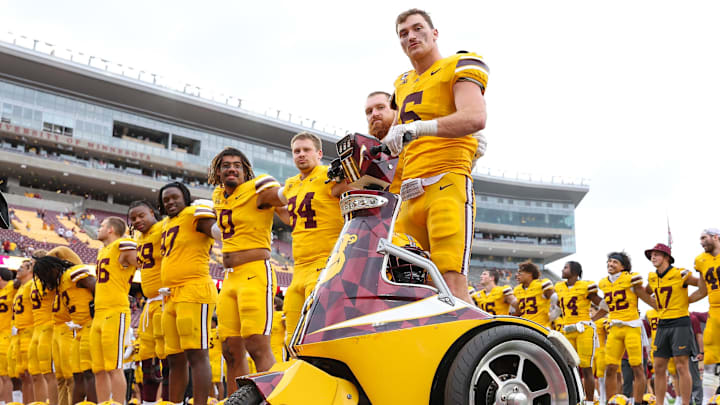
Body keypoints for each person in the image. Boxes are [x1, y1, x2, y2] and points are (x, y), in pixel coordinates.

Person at [383, 8, 488, 302]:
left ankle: (473, 348)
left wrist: (419, 128)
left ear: (435, 32)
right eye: (403, 33)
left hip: (445, 183)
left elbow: (475, 117)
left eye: (417, 29)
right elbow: (395, 139)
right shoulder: (402, 84)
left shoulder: (459, 64)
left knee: (452, 286)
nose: (411, 36)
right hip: (409, 195)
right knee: (410, 291)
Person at [208, 147, 284, 387]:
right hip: (229, 277)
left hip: (254, 272)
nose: (232, 168)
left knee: (257, 345)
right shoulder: (218, 196)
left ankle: (275, 401)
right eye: (226, 165)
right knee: (230, 351)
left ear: (246, 170)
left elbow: (282, 199)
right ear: (218, 171)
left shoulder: (257, 189)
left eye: (237, 165)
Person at [277, 132, 350, 346]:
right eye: (296, 151)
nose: (301, 154)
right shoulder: (291, 184)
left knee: (318, 335)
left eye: (306, 150)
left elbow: (356, 185)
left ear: (319, 153)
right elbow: (293, 216)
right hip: (298, 268)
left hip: (325, 263)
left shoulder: (329, 174)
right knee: (292, 337)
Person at [158, 182, 217, 405]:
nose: (171, 202)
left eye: (175, 197)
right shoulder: (166, 224)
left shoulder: (194, 213)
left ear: (185, 197)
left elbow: (218, 232)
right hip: (171, 295)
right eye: (166, 200)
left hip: (194, 289)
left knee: (196, 354)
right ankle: (175, 403)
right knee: (174, 358)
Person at [31, 254, 97, 403]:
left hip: (89, 324)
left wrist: (96, 307)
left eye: (45, 274)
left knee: (89, 373)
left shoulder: (73, 273)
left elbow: (96, 285)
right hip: (78, 328)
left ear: (54, 268)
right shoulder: (60, 284)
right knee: (77, 375)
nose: (45, 279)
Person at [598, 251, 657, 403]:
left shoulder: (631, 279)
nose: (610, 264)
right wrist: (591, 319)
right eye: (609, 262)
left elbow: (644, 297)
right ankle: (611, 401)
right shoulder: (604, 283)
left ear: (623, 266)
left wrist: (660, 307)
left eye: (614, 262)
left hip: (631, 327)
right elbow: (606, 307)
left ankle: (637, 401)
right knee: (610, 367)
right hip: (615, 328)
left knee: (637, 366)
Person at [645, 243, 699, 405]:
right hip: (662, 323)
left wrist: (688, 300)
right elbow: (646, 291)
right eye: (651, 255)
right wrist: (653, 303)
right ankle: (660, 403)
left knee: (681, 366)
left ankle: (685, 402)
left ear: (667, 257)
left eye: (657, 254)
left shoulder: (679, 273)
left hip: (680, 322)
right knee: (659, 366)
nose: (653, 257)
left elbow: (701, 286)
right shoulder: (652, 277)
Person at [91, 216, 137, 402]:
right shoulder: (103, 251)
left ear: (111, 229)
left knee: (114, 366)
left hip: (115, 310)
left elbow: (142, 261)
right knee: (98, 369)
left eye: (102, 225)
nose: (99, 229)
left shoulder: (122, 245)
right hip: (100, 312)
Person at [128, 200, 166, 405]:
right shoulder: (140, 238)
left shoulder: (163, 228)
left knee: (167, 360)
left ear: (152, 212)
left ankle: (170, 401)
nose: (137, 221)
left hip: (166, 299)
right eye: (133, 218)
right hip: (150, 303)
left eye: (141, 215)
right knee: (147, 362)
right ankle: (149, 402)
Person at [555, 261, 607, 403]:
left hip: (583, 329)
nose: (563, 269)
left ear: (575, 271)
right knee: (568, 367)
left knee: (586, 367)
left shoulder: (585, 286)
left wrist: (593, 319)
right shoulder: (559, 287)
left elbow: (604, 305)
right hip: (567, 330)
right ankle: (573, 399)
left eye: (566, 267)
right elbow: (559, 307)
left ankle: (589, 401)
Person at [46, 246, 84, 405]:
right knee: (61, 378)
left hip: (70, 328)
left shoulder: (75, 275)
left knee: (71, 377)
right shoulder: (59, 283)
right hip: (58, 329)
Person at [690, 228, 720, 405]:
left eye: (704, 238)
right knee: (710, 356)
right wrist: (684, 301)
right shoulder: (701, 260)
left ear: (716, 237)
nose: (701, 242)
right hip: (714, 310)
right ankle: (708, 399)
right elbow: (703, 289)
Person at [28, 253, 58, 403]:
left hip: (49, 327)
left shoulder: (50, 278)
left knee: (49, 372)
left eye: (33, 262)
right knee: (35, 373)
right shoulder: (32, 283)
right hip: (36, 329)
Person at [13, 259, 36, 402]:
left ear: (30, 270)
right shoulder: (21, 287)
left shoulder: (31, 285)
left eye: (22, 268)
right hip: (20, 332)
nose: (19, 270)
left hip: (30, 330)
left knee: (31, 374)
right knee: (23, 375)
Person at [512, 261, 554, 327]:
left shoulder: (541, 284)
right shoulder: (517, 289)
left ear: (529, 273)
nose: (517, 275)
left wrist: (553, 317)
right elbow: (519, 311)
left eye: (520, 272)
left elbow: (557, 301)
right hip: (525, 327)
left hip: (541, 326)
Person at [0, 266, 17, 402]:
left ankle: (8, 402)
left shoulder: (12, 287)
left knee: (5, 375)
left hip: (6, 336)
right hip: (2, 335)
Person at [208, 317, 224, 400]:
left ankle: (220, 400)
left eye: (211, 321)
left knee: (219, 381)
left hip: (217, 359)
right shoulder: (207, 331)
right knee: (210, 381)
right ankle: (213, 399)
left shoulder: (218, 331)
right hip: (208, 359)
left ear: (215, 323)